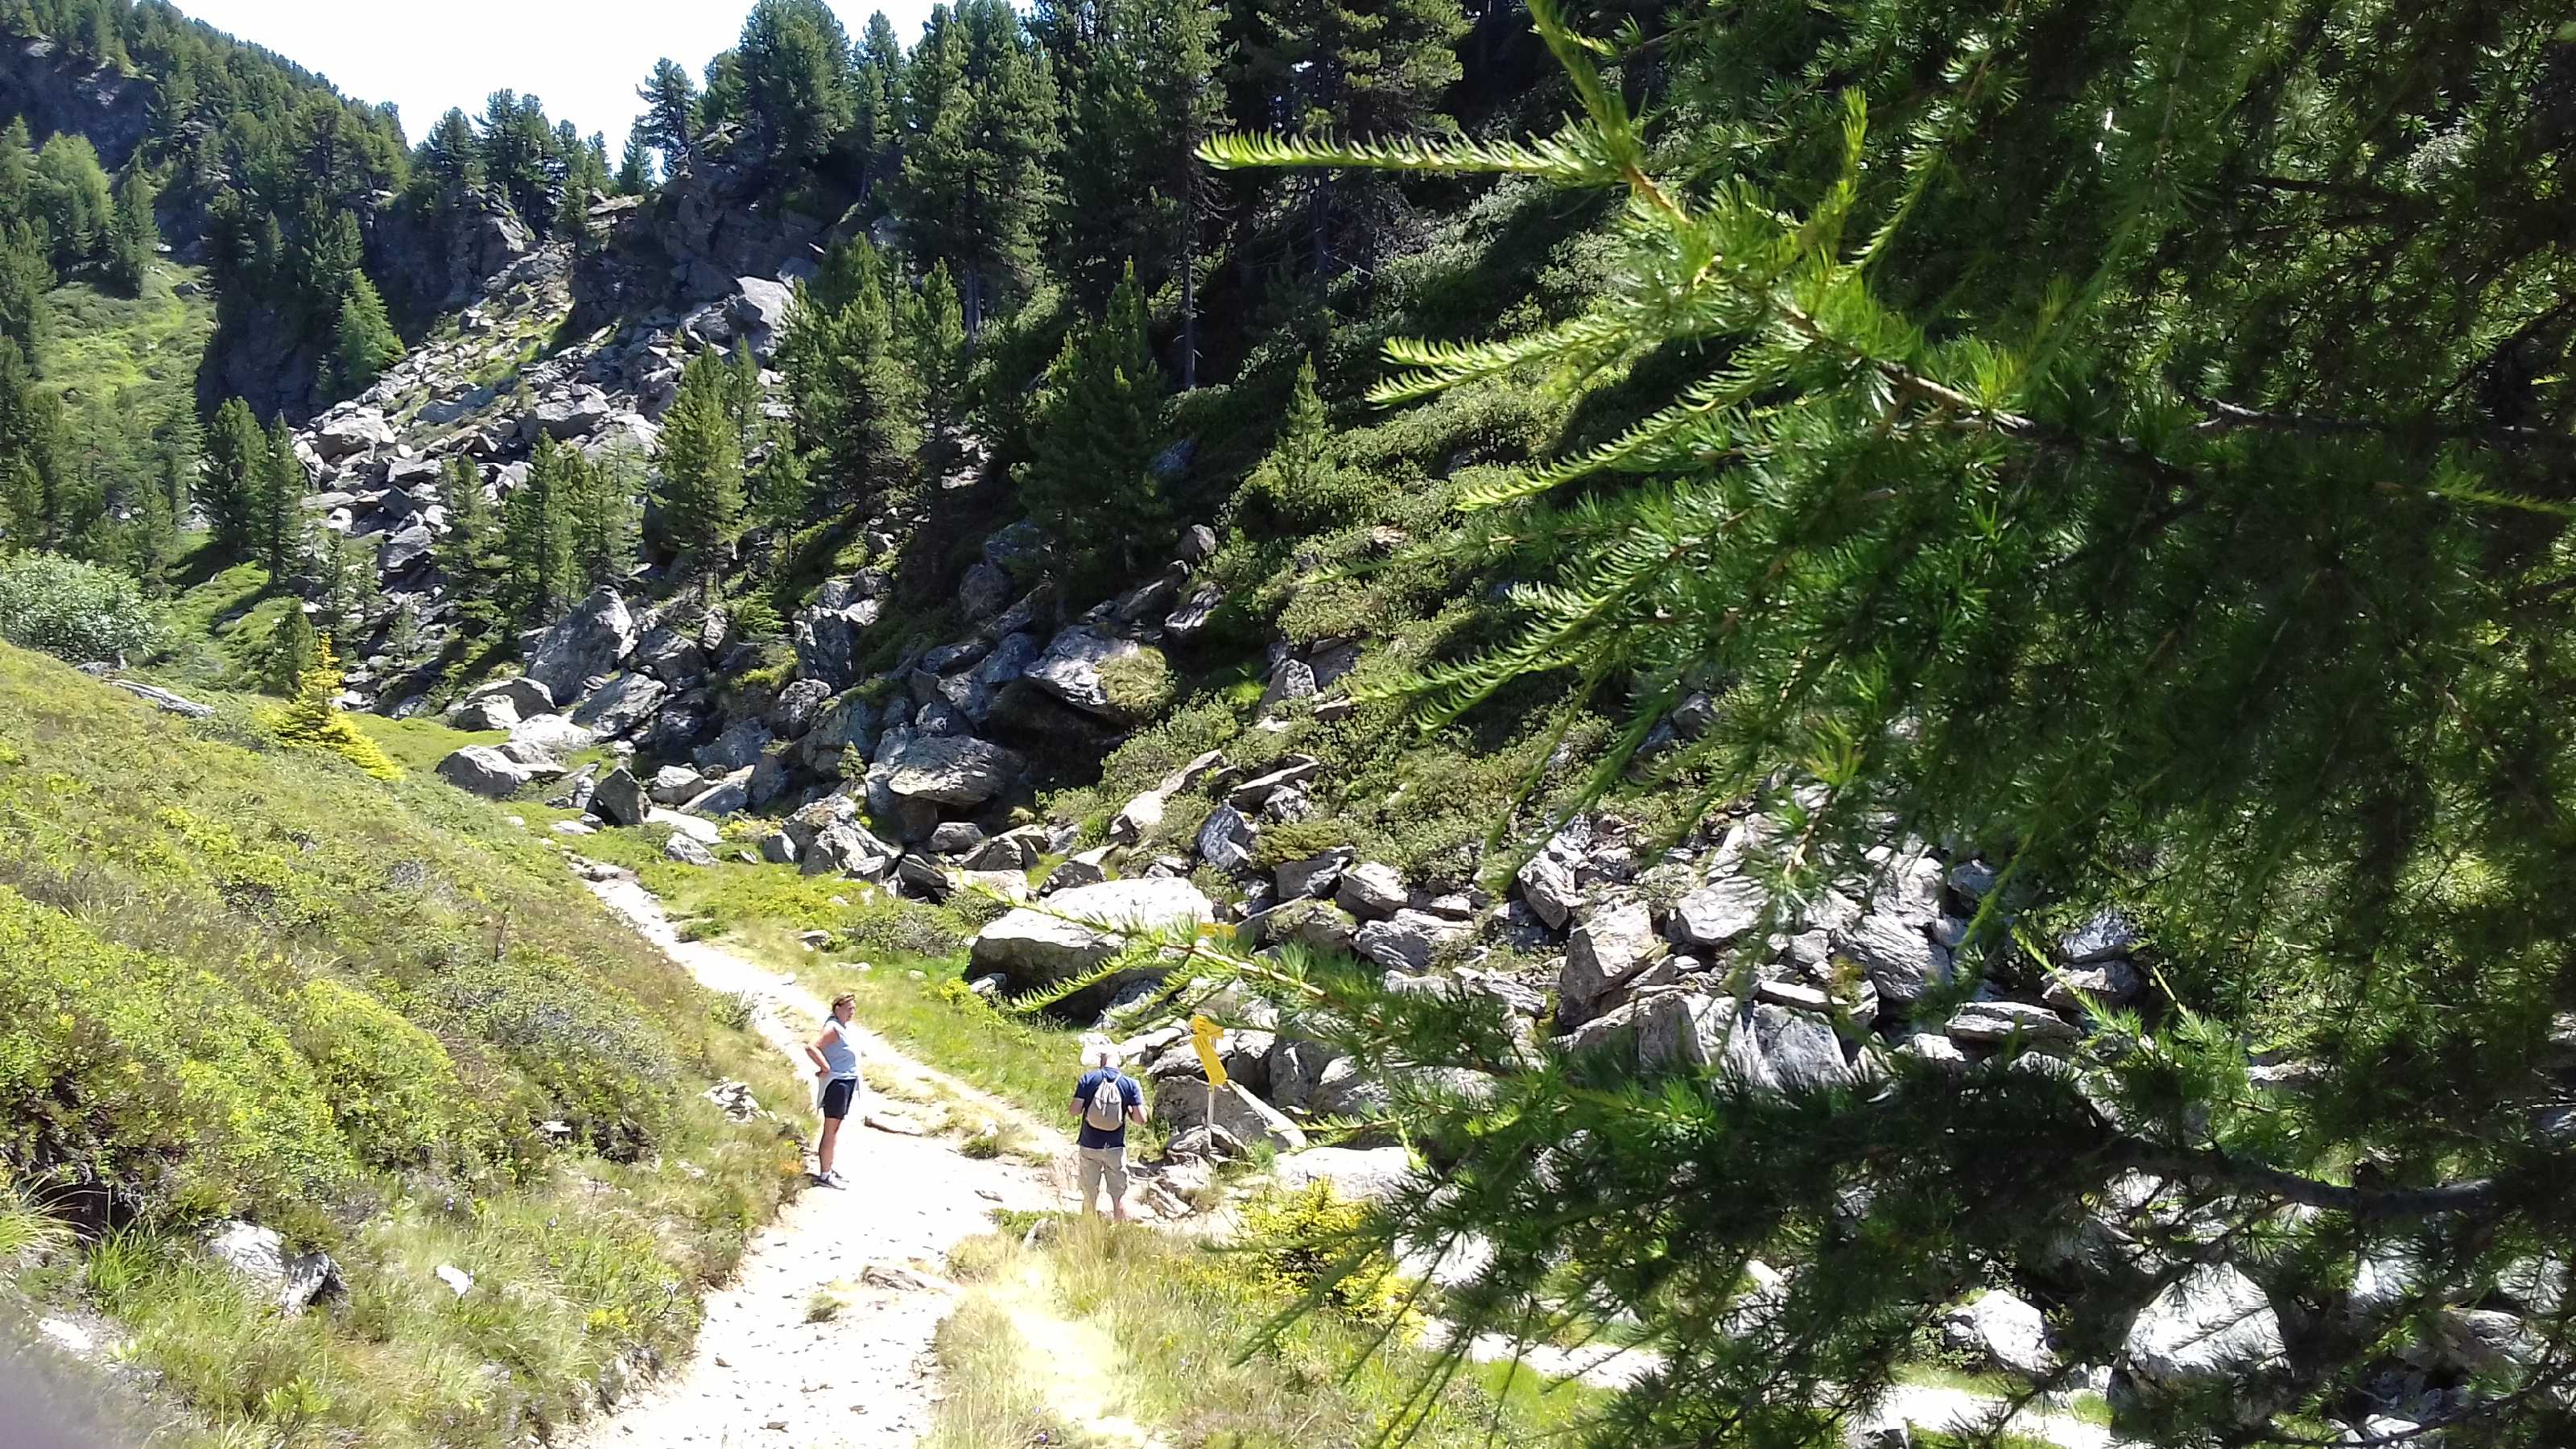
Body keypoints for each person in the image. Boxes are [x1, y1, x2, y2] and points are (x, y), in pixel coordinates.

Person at [1069, 1043, 1146, 1221]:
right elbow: (1141, 1120)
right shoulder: (1130, 1084)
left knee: (1089, 1192)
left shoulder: (1088, 1079)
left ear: (1102, 1060)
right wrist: (1128, 1110)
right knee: (1118, 1194)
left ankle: (1088, 1226)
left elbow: (1073, 1111)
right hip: (1115, 1147)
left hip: (1089, 1145)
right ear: (1119, 1061)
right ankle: (1118, 1227)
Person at [805, 993, 861, 1187]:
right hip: (837, 1083)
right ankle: (825, 1175)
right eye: (848, 1008)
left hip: (846, 1082)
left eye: (853, 1009)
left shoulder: (842, 1027)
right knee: (831, 1131)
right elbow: (812, 1047)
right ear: (837, 1007)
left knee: (835, 1130)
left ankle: (828, 1167)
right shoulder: (833, 1028)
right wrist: (825, 1067)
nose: (852, 1012)